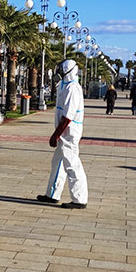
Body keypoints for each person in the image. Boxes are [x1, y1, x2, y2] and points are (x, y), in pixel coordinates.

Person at [36, 60, 88, 209]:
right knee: (57, 163)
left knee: (72, 164)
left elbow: (68, 116)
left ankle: (79, 199)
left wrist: (56, 134)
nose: (58, 71)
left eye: (60, 68)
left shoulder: (73, 88)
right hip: (63, 132)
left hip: (69, 132)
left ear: (67, 70)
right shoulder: (65, 86)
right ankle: (52, 194)